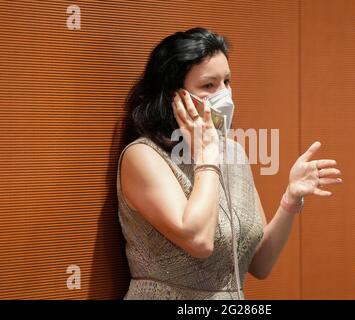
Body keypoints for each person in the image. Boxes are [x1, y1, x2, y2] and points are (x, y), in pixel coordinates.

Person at [116, 27, 343, 300]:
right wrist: (207, 158)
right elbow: (198, 240)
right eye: (209, 85)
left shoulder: (232, 153)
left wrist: (290, 199)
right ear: (174, 97)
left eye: (227, 81)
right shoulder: (143, 156)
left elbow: (260, 264)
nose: (224, 94)